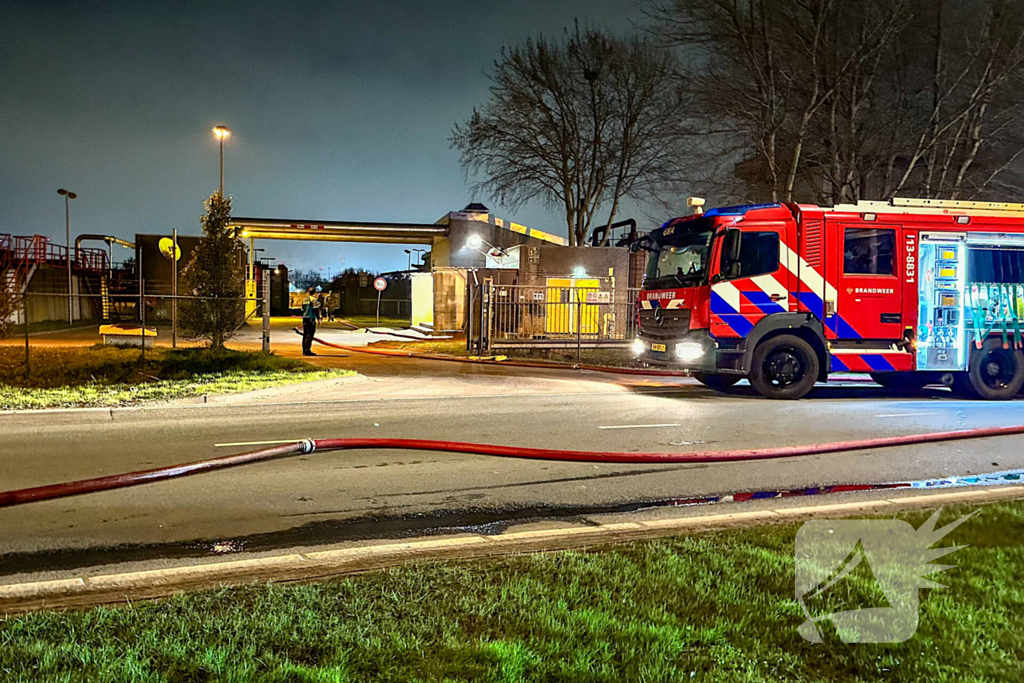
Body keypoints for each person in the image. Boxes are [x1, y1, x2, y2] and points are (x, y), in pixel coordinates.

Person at [302, 287, 317, 356]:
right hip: (311, 318)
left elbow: (302, 309)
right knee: (310, 335)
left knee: (305, 334)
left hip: (305, 318)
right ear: (314, 292)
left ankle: (304, 350)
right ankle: (307, 350)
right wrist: (318, 318)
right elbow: (315, 309)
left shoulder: (305, 300)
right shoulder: (314, 299)